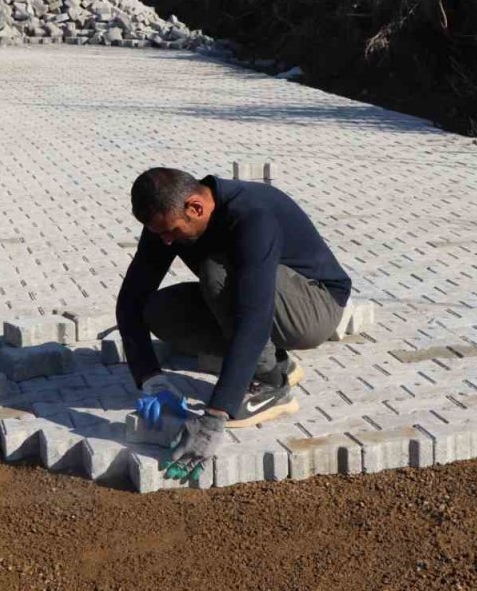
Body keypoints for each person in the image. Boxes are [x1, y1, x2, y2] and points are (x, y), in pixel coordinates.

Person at [115, 167, 352, 480]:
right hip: (258, 297)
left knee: (217, 274)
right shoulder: (166, 219)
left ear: (195, 207)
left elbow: (254, 316)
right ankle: (276, 361)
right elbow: (130, 300)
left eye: (171, 231)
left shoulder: (253, 216)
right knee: (159, 310)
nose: (166, 241)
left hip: (314, 306)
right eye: (160, 233)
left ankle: (271, 383)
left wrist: (214, 416)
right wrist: (149, 377)